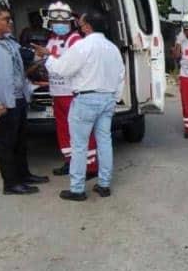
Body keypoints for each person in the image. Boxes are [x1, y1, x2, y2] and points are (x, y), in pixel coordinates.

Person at [32, 13, 124, 201]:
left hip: (86, 100)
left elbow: (62, 69)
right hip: (107, 99)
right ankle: (104, 185)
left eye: (80, 25)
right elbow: (121, 75)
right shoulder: (113, 48)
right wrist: (115, 98)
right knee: (104, 142)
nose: (79, 28)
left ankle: (77, 189)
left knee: (79, 146)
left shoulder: (83, 46)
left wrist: (47, 57)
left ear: (88, 26)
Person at [0, 3, 49, 195]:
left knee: (20, 141)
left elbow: (19, 64)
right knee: (6, 144)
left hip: (18, 98)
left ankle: (24, 175)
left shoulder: (8, 41)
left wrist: (39, 58)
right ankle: (11, 184)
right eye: (5, 19)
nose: (10, 22)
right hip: (2, 102)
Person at [42, 2, 98, 178]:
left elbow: (73, 64)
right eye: (55, 21)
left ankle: (91, 166)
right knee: (63, 129)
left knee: (81, 130)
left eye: (63, 21)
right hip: (57, 92)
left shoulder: (75, 40)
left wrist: (49, 55)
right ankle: (70, 161)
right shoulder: (52, 39)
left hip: (72, 93)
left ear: (71, 22)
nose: (59, 25)